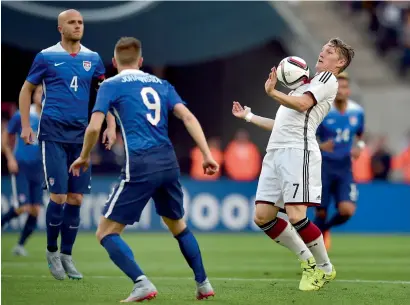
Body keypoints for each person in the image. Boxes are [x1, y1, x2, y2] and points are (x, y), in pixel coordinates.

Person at [69, 37, 218, 302]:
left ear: (114, 63)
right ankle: (203, 283)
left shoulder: (110, 85)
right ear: (141, 61)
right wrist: (206, 154)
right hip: (168, 161)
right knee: (179, 227)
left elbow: (93, 127)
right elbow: (187, 117)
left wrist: (83, 157)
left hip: (140, 162)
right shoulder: (161, 84)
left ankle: (141, 283)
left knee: (105, 232)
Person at [232, 38, 354, 291]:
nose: (322, 53)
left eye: (329, 52)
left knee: (297, 215)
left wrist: (272, 92)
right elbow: (281, 126)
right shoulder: (302, 87)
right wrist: (249, 116)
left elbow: (303, 105)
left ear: (339, 62)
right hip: (276, 153)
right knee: (263, 216)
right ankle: (308, 262)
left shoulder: (326, 80)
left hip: (298, 152)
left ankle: (324, 268)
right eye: (322, 49)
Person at [18, 9, 117, 280]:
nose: (77, 26)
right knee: (59, 197)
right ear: (60, 28)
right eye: (72, 22)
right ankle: (51, 251)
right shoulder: (46, 56)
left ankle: (67, 255)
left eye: (80, 22)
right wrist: (27, 125)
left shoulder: (92, 58)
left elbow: (104, 92)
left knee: (76, 198)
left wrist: (110, 124)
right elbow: (27, 89)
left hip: (81, 136)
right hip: (52, 133)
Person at [315, 72, 365, 250]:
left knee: (347, 210)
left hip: (345, 167)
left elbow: (360, 135)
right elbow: (307, 135)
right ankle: (315, 251)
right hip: (323, 166)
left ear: (349, 90)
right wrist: (320, 145)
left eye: (344, 87)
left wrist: (359, 146)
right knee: (321, 210)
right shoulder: (322, 110)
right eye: (337, 88)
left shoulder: (357, 111)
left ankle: (325, 230)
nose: (341, 91)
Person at [1, 85, 44, 256]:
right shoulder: (23, 114)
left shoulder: (50, 117)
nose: (41, 96)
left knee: (35, 210)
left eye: (44, 93)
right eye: (39, 92)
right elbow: (6, 136)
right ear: (33, 96)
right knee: (22, 207)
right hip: (22, 166)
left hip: (39, 169)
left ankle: (19, 245)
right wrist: (10, 158)